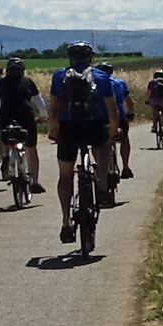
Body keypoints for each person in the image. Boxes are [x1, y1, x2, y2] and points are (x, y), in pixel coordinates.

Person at [47, 42, 120, 245]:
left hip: (68, 128)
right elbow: (112, 109)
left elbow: (52, 107)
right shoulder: (101, 76)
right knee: (104, 145)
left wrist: (53, 131)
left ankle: (66, 221)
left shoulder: (59, 76)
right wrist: (113, 130)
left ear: (70, 58)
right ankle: (103, 185)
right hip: (94, 126)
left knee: (65, 175)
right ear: (90, 58)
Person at [0, 57, 45, 193]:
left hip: (5, 115)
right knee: (31, 148)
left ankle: (6, 155)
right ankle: (35, 181)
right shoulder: (27, 81)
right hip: (25, 115)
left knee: (6, 135)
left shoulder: (1, 83)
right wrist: (43, 115)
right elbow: (39, 101)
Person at [94, 61, 136, 180]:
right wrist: (131, 113)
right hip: (119, 117)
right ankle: (126, 167)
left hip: (100, 117)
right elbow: (128, 101)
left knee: (97, 143)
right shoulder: (119, 83)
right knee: (124, 139)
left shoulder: (94, 83)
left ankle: (100, 165)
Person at [145, 68, 163, 140]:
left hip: (154, 101)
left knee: (154, 112)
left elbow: (148, 93)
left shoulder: (151, 83)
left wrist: (146, 100)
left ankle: (154, 126)